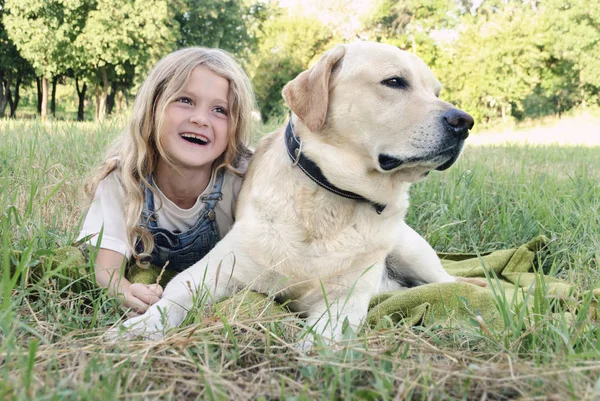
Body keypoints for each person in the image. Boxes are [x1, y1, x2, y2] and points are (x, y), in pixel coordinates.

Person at [78, 47, 256, 316]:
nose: (200, 119)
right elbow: (106, 270)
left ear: (235, 126)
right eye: (185, 100)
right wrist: (125, 291)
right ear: (153, 107)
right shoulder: (124, 178)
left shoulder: (243, 177)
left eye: (219, 110)